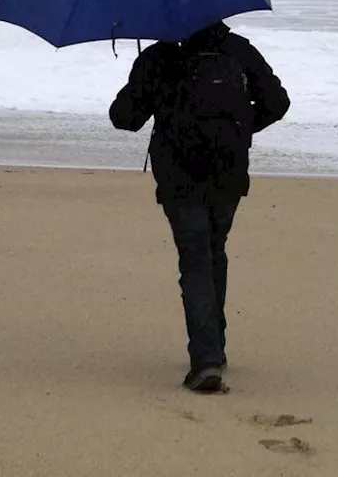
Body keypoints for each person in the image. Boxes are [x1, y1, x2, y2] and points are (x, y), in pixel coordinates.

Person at [109, 21, 290, 392]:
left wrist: (146, 76)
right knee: (213, 251)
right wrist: (239, 129)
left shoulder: (159, 57)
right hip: (229, 171)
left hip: (179, 177)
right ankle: (214, 348)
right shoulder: (238, 49)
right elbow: (278, 103)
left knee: (195, 259)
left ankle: (206, 358)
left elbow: (124, 118)